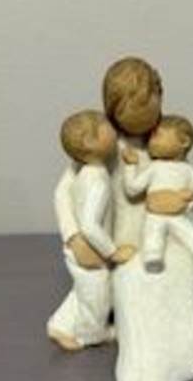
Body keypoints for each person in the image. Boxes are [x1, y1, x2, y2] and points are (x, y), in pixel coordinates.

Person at [103, 57, 193, 381]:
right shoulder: (108, 145)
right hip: (122, 238)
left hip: (166, 229)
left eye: (148, 106)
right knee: (131, 283)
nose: (144, 120)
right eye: (131, 108)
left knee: (181, 272)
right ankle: (127, 338)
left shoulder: (165, 137)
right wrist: (85, 238)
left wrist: (185, 202)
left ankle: (187, 353)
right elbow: (76, 191)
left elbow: (191, 185)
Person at [47, 110, 136, 351]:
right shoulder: (97, 180)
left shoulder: (86, 171)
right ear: (90, 142)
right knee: (97, 296)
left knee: (83, 290)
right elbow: (89, 224)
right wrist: (112, 252)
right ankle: (91, 334)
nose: (111, 127)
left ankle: (59, 325)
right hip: (90, 249)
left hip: (82, 249)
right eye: (105, 126)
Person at [121, 114, 193, 274]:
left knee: (191, 233)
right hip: (154, 215)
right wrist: (131, 166)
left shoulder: (186, 170)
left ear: (184, 141)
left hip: (177, 215)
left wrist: (192, 196)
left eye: (157, 136)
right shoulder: (154, 168)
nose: (151, 141)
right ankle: (152, 258)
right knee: (152, 235)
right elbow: (133, 189)